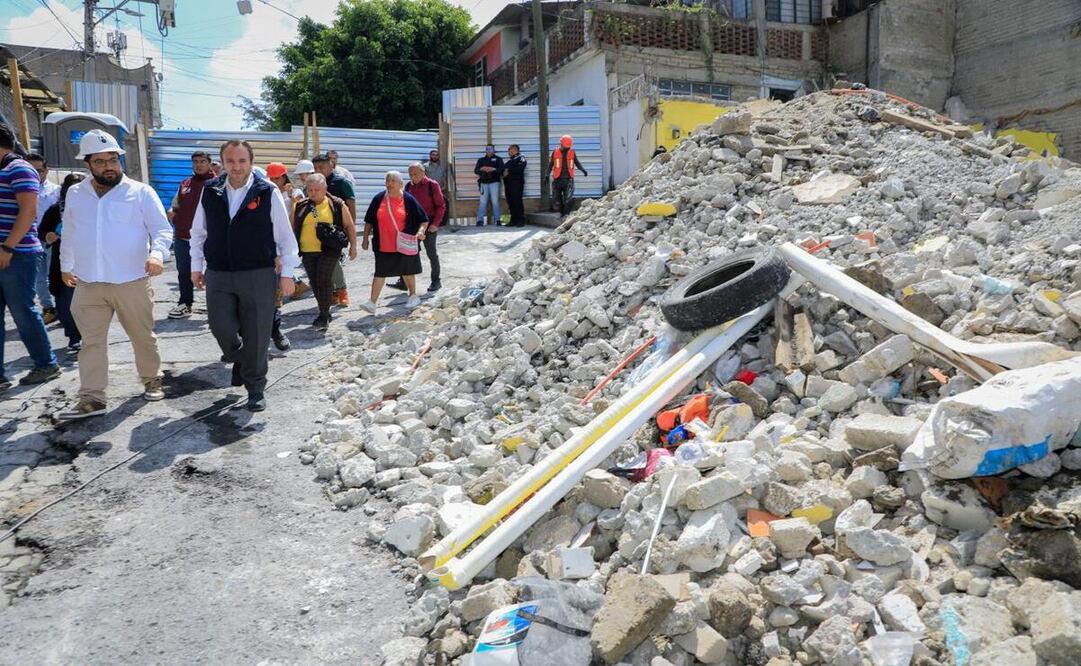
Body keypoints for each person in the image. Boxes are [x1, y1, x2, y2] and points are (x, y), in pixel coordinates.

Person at [57, 129, 171, 420]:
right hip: (89, 283)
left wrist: (157, 255)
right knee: (91, 342)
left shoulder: (140, 192)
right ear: (88, 164)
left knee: (142, 336)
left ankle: (151, 379)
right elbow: (70, 231)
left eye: (113, 159)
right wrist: (65, 265)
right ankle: (92, 397)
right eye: (101, 161)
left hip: (131, 280)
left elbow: (161, 230)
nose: (109, 166)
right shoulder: (75, 193)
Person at [190, 140, 299, 412]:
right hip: (219, 273)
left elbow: (286, 237)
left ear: (250, 162)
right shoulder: (210, 190)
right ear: (223, 163)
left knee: (259, 332)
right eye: (230, 161)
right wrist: (195, 265)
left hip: (258, 273)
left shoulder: (267, 191)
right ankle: (240, 356)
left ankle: (255, 387)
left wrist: (287, 273)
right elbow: (198, 232)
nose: (236, 167)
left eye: (241, 161)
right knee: (220, 326)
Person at [0, 124, 60, 391]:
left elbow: (28, 212)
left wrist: (8, 248)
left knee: (23, 312)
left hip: (18, 255)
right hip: (6, 254)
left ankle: (46, 364)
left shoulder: (20, 169)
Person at [293, 173, 357, 329]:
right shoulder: (300, 206)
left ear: (325, 189)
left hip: (329, 250)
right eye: (310, 190)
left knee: (323, 279)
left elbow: (349, 225)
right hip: (307, 251)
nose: (313, 193)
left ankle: (323, 316)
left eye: (317, 189)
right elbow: (292, 227)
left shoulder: (336, 204)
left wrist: (353, 246)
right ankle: (325, 311)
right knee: (315, 282)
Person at [360, 171, 428, 314]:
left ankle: (413, 295)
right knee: (380, 273)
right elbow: (369, 221)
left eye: (392, 181)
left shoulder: (409, 199)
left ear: (400, 184)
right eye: (387, 180)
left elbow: (423, 220)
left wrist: (421, 231)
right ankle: (372, 303)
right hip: (383, 244)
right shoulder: (379, 198)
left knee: (407, 272)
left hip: (404, 243)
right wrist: (365, 238)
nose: (389, 184)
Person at [38, 173, 85, 351]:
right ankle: (74, 337)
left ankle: (90, 337)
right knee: (66, 304)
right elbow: (42, 230)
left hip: (90, 264)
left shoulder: (98, 208)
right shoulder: (56, 210)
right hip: (63, 264)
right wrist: (48, 235)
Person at [167, 150, 214, 320]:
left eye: (202, 161)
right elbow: (175, 205)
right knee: (184, 271)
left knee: (214, 272)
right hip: (183, 236)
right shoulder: (185, 184)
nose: (199, 165)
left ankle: (216, 305)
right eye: (195, 162)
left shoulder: (218, 183)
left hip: (211, 238)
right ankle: (185, 303)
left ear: (209, 163)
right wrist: (172, 213)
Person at [312, 153, 353, 306]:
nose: (318, 170)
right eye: (315, 167)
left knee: (333, 260)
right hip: (318, 230)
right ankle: (333, 293)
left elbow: (351, 204)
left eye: (321, 167)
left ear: (331, 165)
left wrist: (350, 229)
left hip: (337, 231)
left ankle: (342, 291)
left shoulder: (341, 182)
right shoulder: (313, 183)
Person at [402, 162, 446, 292]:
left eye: (415, 174)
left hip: (429, 223)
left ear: (423, 173)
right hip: (413, 224)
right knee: (407, 252)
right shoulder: (409, 186)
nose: (412, 177)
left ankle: (436, 281)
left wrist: (435, 224)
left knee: (431, 253)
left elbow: (441, 206)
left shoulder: (432, 185)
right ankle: (404, 282)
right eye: (410, 174)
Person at [26, 153, 59, 324]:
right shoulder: (20, 190)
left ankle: (62, 306)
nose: (35, 174)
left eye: (38, 170)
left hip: (53, 240)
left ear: (46, 171)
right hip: (31, 240)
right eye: (30, 170)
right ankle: (48, 308)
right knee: (39, 277)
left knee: (56, 274)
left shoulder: (56, 191)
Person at [550, 134, 588, 216]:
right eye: (565, 146)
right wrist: (546, 175)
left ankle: (566, 214)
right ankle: (561, 213)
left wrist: (583, 170)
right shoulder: (555, 152)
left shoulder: (572, 152)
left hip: (568, 179)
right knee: (557, 199)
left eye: (568, 146)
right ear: (561, 144)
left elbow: (577, 163)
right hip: (557, 179)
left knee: (568, 198)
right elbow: (551, 164)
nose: (567, 148)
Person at [474, 144, 503, 226]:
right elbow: (476, 170)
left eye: (490, 149)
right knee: (483, 202)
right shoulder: (481, 160)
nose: (489, 150)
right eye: (487, 149)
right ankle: (480, 220)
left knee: (495, 201)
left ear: (494, 150)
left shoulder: (498, 159)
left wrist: (493, 169)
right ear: (485, 150)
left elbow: (501, 170)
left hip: (495, 182)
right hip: (483, 183)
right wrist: (481, 169)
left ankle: (498, 220)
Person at [503, 144, 527, 227]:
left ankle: (521, 220)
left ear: (515, 150)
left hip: (517, 184)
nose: (509, 152)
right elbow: (503, 169)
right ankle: (513, 220)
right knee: (511, 203)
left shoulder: (521, 157)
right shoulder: (510, 161)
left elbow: (521, 168)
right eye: (509, 150)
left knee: (517, 202)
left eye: (510, 150)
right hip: (508, 185)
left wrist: (508, 170)